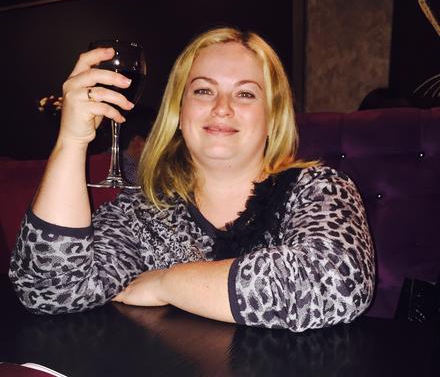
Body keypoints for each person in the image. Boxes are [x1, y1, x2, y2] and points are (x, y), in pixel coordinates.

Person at [9, 27, 375, 332]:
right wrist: (72, 140)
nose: (222, 107)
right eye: (203, 90)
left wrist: (167, 283)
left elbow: (335, 283)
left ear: (272, 117)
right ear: (179, 112)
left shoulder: (319, 188)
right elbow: (50, 290)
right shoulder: (144, 212)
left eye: (245, 93)